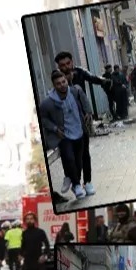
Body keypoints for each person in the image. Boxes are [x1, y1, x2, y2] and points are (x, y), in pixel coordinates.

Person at [38, 70, 95, 201]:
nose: (62, 85)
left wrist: (88, 112)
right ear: (54, 86)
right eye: (58, 84)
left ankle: (75, 181)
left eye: (63, 82)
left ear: (66, 81)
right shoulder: (48, 102)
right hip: (64, 136)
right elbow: (43, 118)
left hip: (79, 131)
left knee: (78, 160)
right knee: (69, 158)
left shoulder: (74, 92)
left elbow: (84, 100)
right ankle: (76, 185)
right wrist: (54, 128)